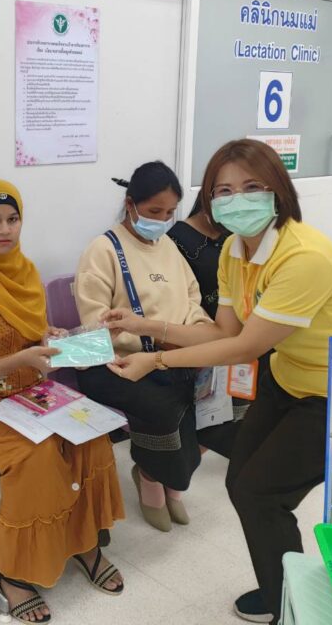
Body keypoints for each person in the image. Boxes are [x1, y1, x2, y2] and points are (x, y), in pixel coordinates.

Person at [103, 139, 332, 624]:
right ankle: (283, 591)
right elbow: (223, 331)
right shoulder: (235, 249)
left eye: (252, 187)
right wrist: (143, 326)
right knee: (243, 481)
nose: (237, 199)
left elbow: (243, 348)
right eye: (224, 190)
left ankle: (288, 606)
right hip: (291, 377)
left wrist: (156, 360)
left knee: (260, 493)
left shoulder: (305, 257)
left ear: (278, 190)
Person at [0, 179, 125, 624]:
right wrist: (20, 358)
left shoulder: (23, 272)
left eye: (13, 219)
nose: (5, 230)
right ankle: (13, 573)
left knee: (90, 436)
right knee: (35, 456)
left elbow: (28, 334)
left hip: (22, 386)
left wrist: (47, 338)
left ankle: (84, 544)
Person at [74, 162, 214, 532]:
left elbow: (192, 300)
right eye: (154, 211)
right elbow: (97, 327)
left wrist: (198, 334)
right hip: (116, 363)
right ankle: (152, 476)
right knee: (166, 403)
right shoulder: (103, 250)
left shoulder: (167, 247)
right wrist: (155, 344)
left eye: (170, 213)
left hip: (170, 354)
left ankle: (175, 479)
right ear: (130, 204)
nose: (163, 221)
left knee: (225, 399)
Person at [167, 192, 273, 455]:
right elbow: (183, 297)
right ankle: (184, 461)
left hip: (247, 327)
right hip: (209, 331)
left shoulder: (234, 235)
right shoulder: (177, 239)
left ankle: (241, 441)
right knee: (212, 415)